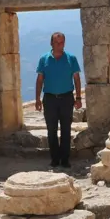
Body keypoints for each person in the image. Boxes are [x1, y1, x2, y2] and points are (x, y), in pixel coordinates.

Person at [35, 32, 82, 169]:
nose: (59, 45)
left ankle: (65, 159)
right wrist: (37, 99)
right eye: (57, 42)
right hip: (49, 99)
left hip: (67, 98)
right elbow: (39, 80)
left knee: (66, 130)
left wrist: (78, 97)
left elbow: (77, 78)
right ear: (51, 43)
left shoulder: (71, 58)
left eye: (62, 43)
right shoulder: (44, 59)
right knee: (51, 130)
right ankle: (55, 159)